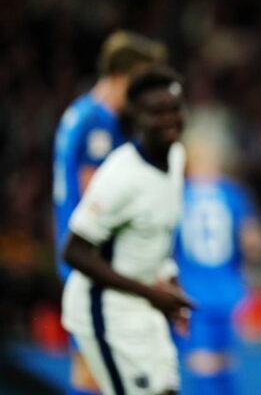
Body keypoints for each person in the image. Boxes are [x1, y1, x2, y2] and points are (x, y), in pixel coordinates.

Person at [60, 66, 193, 395]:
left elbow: (157, 233)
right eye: (156, 112)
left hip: (144, 305)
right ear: (135, 118)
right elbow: (73, 251)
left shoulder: (176, 157)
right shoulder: (120, 176)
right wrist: (152, 294)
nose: (169, 119)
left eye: (174, 109)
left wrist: (169, 279)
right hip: (105, 311)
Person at [52, 30, 167, 395]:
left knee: (92, 367)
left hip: (81, 255)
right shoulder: (97, 123)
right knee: (98, 368)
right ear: (123, 75)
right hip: (95, 259)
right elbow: (96, 197)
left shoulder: (80, 113)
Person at [173, 114, 261, 395]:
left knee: (202, 365)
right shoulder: (233, 194)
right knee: (227, 364)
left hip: (190, 293)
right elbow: (254, 244)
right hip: (230, 292)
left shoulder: (178, 194)